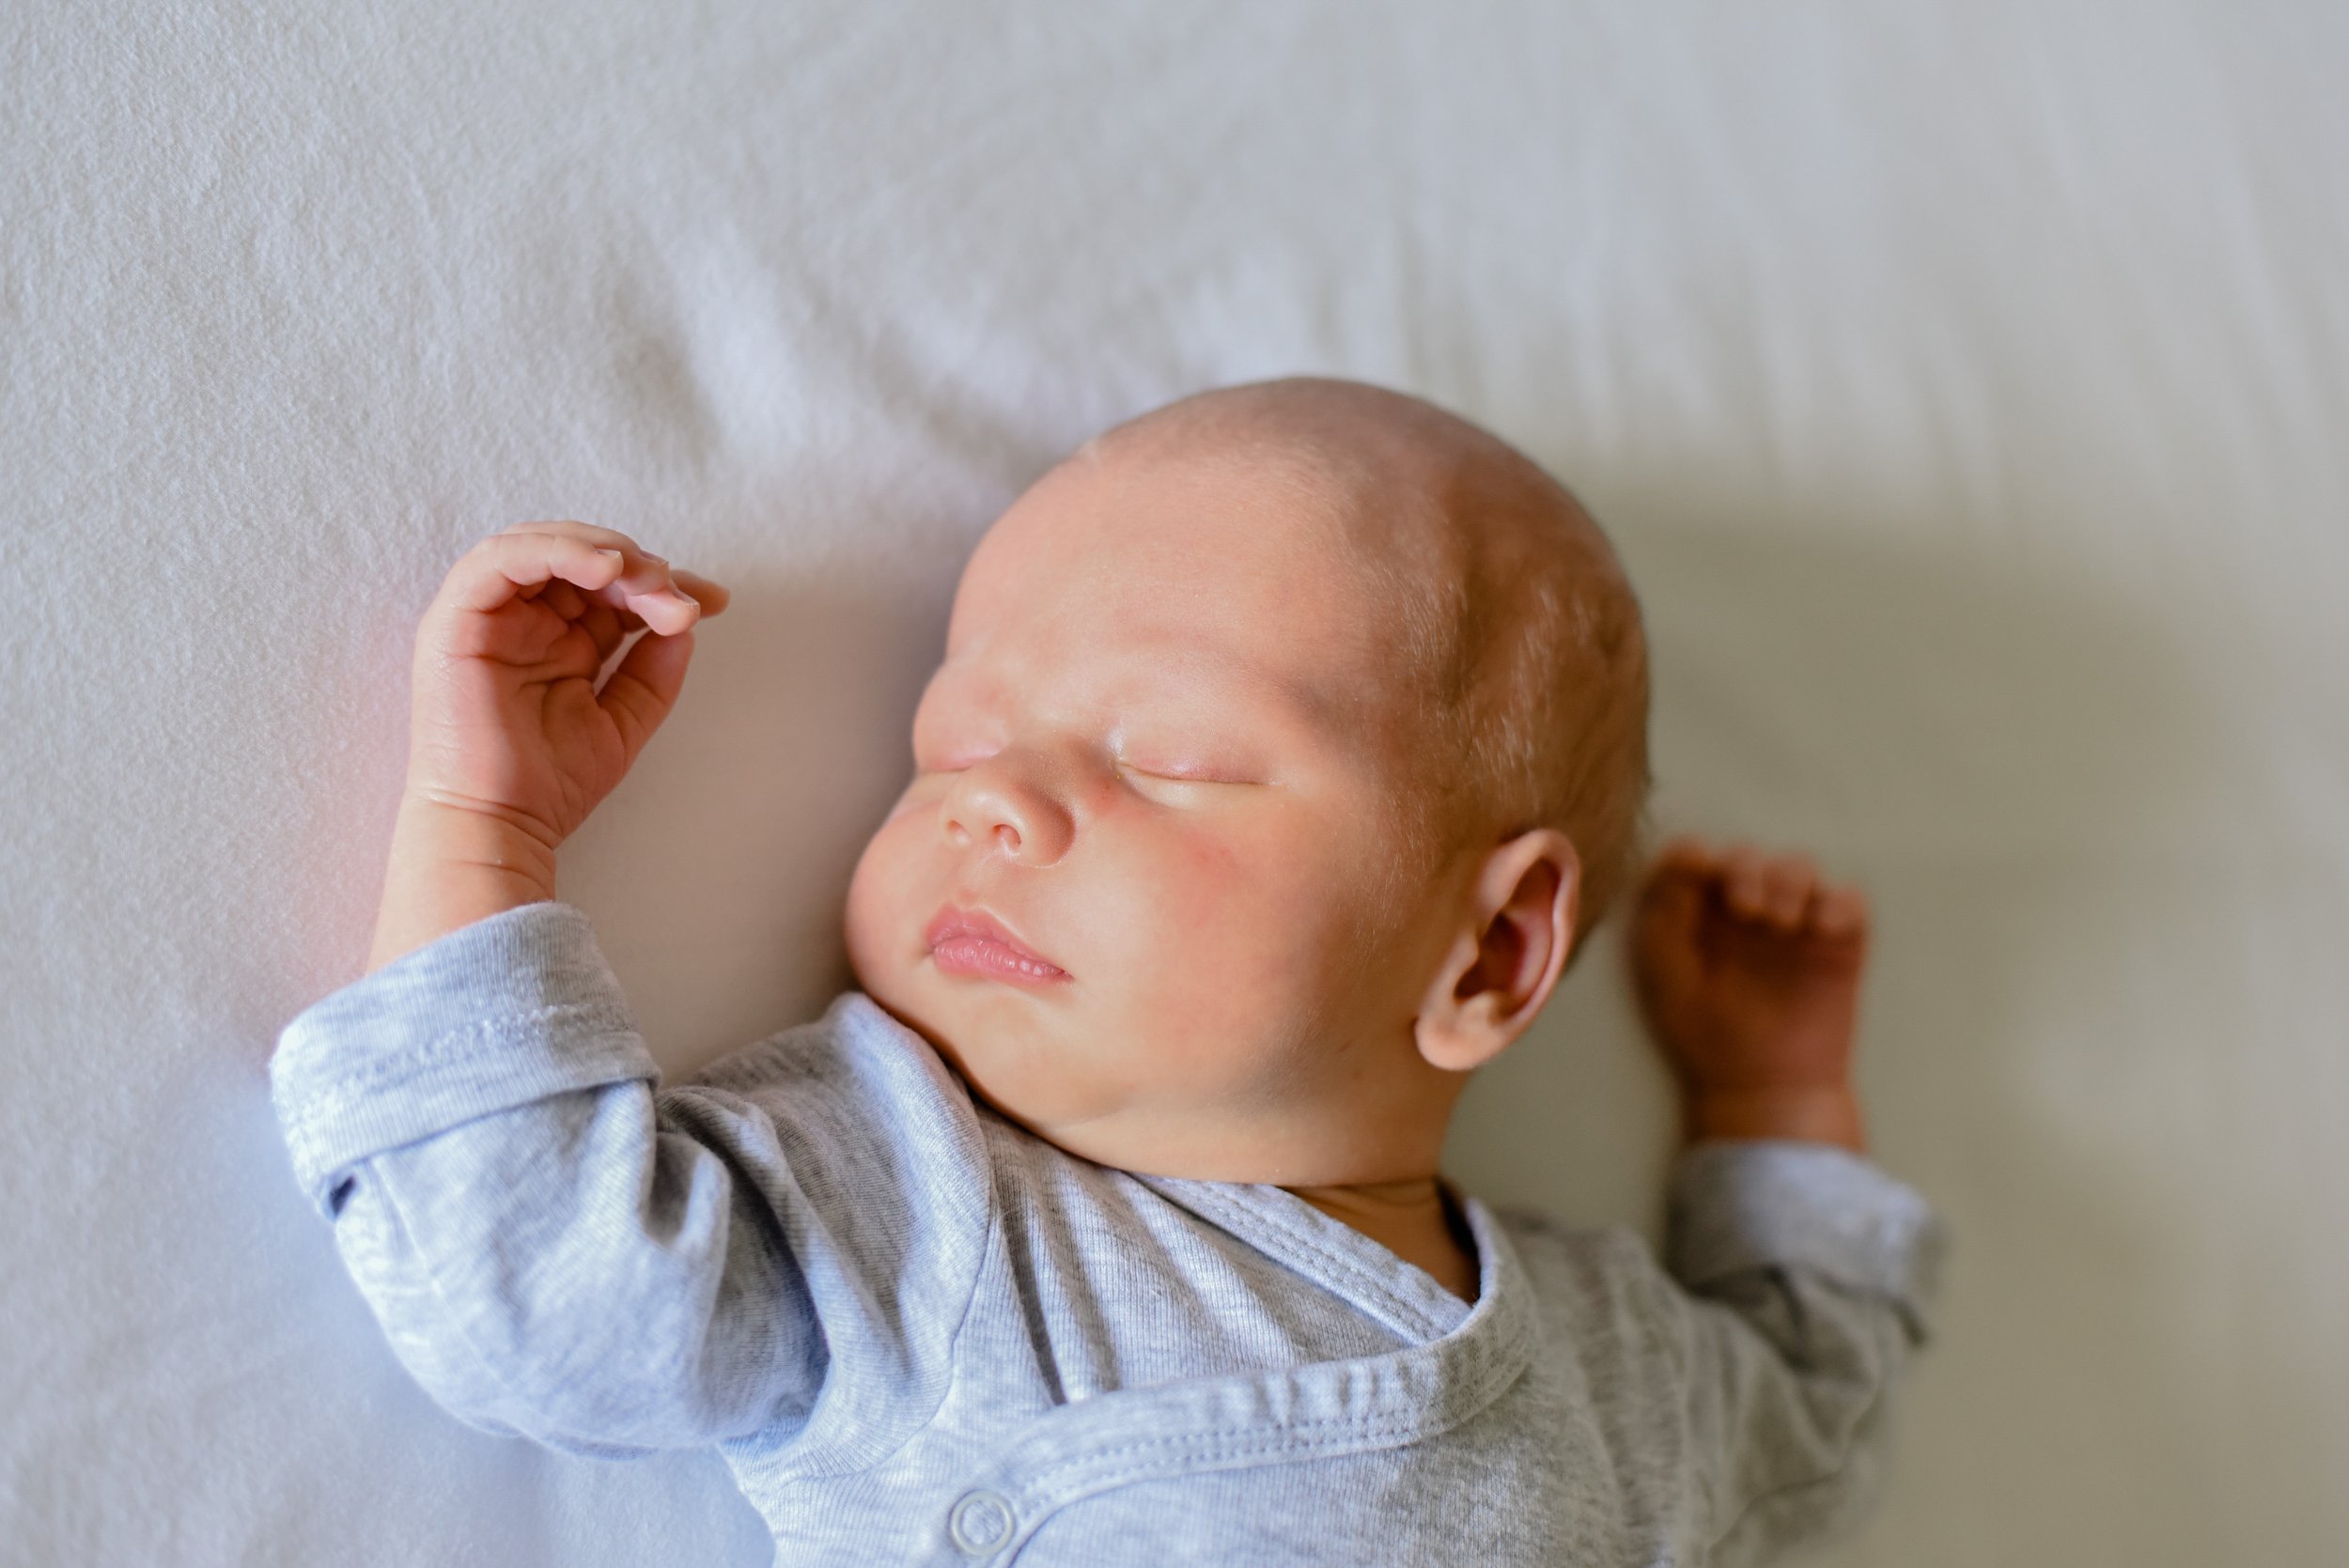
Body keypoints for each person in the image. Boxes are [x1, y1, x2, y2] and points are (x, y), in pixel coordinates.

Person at [271, 377, 1946, 1565]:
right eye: (956, 740)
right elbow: (546, 1303)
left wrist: (1774, 1098)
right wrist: (483, 822)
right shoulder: (914, 1196)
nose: (989, 798)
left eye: (1169, 758)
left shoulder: (1615, 1369)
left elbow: (1817, 1427)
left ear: (1495, 947)